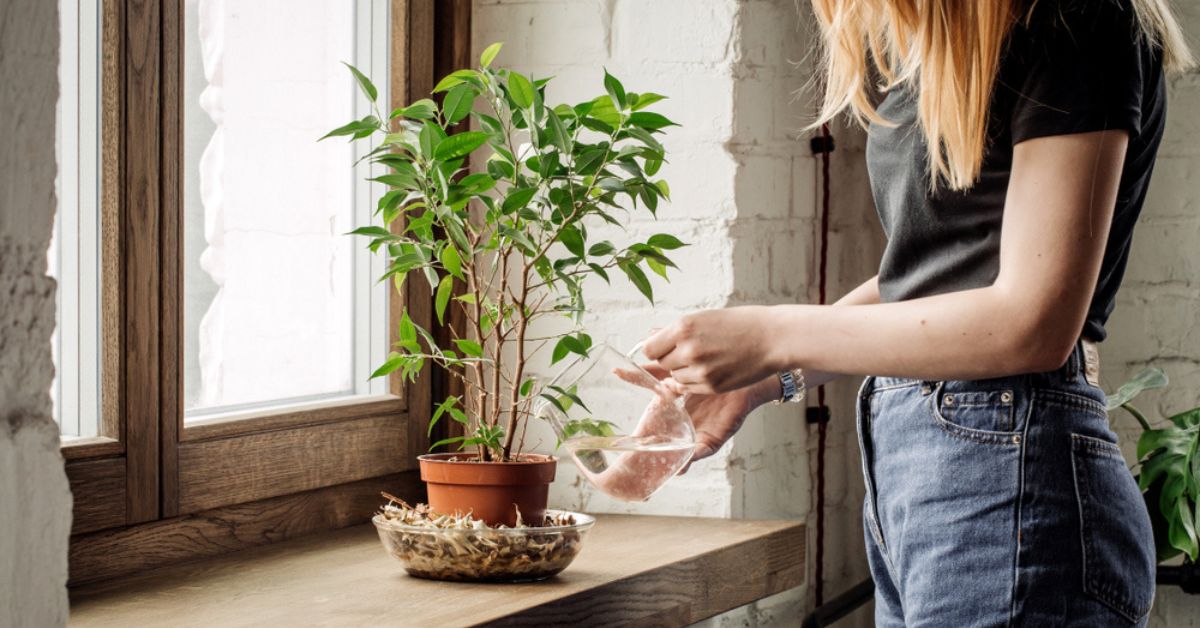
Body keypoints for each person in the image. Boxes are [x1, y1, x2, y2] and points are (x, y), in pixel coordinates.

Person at [642, 0, 1194, 625]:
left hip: (1011, 482)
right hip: (923, 483)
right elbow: (931, 280)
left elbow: (1032, 324)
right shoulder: (937, 51)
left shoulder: (1075, 17)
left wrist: (772, 334)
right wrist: (760, 380)